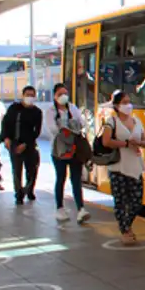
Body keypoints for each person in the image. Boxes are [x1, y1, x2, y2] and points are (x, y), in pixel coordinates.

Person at [102, 90, 145, 245]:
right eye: (124, 102)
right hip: (118, 167)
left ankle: (127, 226)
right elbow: (106, 141)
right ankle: (125, 230)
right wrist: (126, 144)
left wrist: (139, 143)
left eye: (129, 101)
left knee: (137, 201)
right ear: (116, 105)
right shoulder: (111, 122)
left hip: (135, 166)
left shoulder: (137, 121)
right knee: (121, 202)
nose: (128, 105)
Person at [45, 83, 89, 223]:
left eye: (65, 93)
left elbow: (81, 123)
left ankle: (81, 209)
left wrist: (67, 128)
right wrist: (70, 127)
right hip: (59, 151)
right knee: (61, 178)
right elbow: (53, 129)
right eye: (60, 94)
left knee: (76, 179)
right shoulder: (51, 111)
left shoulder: (73, 107)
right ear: (55, 96)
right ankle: (59, 208)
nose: (63, 96)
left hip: (75, 149)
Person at [0, 86, 42, 205]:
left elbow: (36, 132)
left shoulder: (37, 112)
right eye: (27, 95)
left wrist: (26, 144)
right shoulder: (14, 109)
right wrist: (6, 138)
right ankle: (19, 194)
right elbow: (6, 123)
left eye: (32, 95)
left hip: (29, 145)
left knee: (32, 170)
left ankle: (28, 190)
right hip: (14, 144)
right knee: (17, 170)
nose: (29, 97)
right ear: (23, 96)